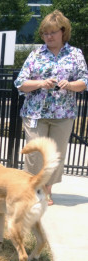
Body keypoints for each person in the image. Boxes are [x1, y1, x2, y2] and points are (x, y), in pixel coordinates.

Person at [14, 10, 88, 205]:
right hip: (35, 113)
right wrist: (40, 83)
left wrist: (70, 85)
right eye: (45, 33)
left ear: (63, 32)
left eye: (52, 32)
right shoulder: (36, 54)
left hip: (63, 114)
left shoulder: (75, 54)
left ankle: (47, 191)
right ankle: (32, 189)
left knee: (55, 155)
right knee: (35, 153)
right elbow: (20, 82)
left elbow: (84, 81)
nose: (48, 36)